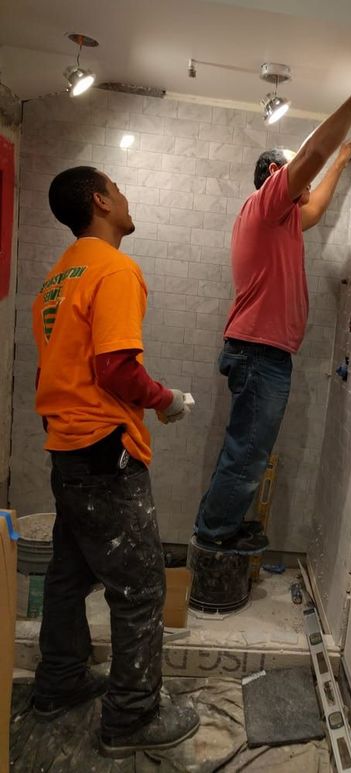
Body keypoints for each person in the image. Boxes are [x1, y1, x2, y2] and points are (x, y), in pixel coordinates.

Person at [194, 61, 351, 554]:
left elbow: (317, 205)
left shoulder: (279, 221)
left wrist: (344, 161)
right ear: (274, 175)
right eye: (294, 174)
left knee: (248, 448)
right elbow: (312, 153)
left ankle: (218, 526)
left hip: (261, 353)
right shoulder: (266, 203)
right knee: (248, 451)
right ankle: (214, 534)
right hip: (260, 355)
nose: (302, 181)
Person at [31, 166, 199, 758]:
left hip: (66, 448)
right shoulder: (115, 268)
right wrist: (168, 401)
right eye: (120, 190)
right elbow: (116, 369)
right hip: (105, 451)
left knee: (68, 575)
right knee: (140, 589)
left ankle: (59, 682)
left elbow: (50, 370)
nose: (128, 199)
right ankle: (130, 717)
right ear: (101, 200)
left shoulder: (58, 277)